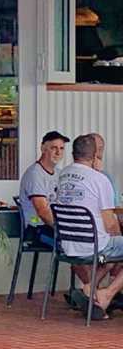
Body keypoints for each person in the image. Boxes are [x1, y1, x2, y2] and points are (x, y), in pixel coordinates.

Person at [56, 134, 123, 316]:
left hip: (68, 245)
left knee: (112, 255)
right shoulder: (100, 180)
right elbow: (110, 223)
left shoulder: (62, 175)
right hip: (95, 246)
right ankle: (106, 295)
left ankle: (88, 287)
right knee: (114, 249)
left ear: (73, 154)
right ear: (95, 156)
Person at [17, 131, 69, 247]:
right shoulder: (35, 174)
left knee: (85, 242)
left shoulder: (59, 174)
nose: (58, 152)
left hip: (52, 227)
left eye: (61, 148)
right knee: (76, 245)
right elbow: (43, 212)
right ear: (43, 148)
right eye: (54, 148)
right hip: (37, 229)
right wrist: (64, 229)